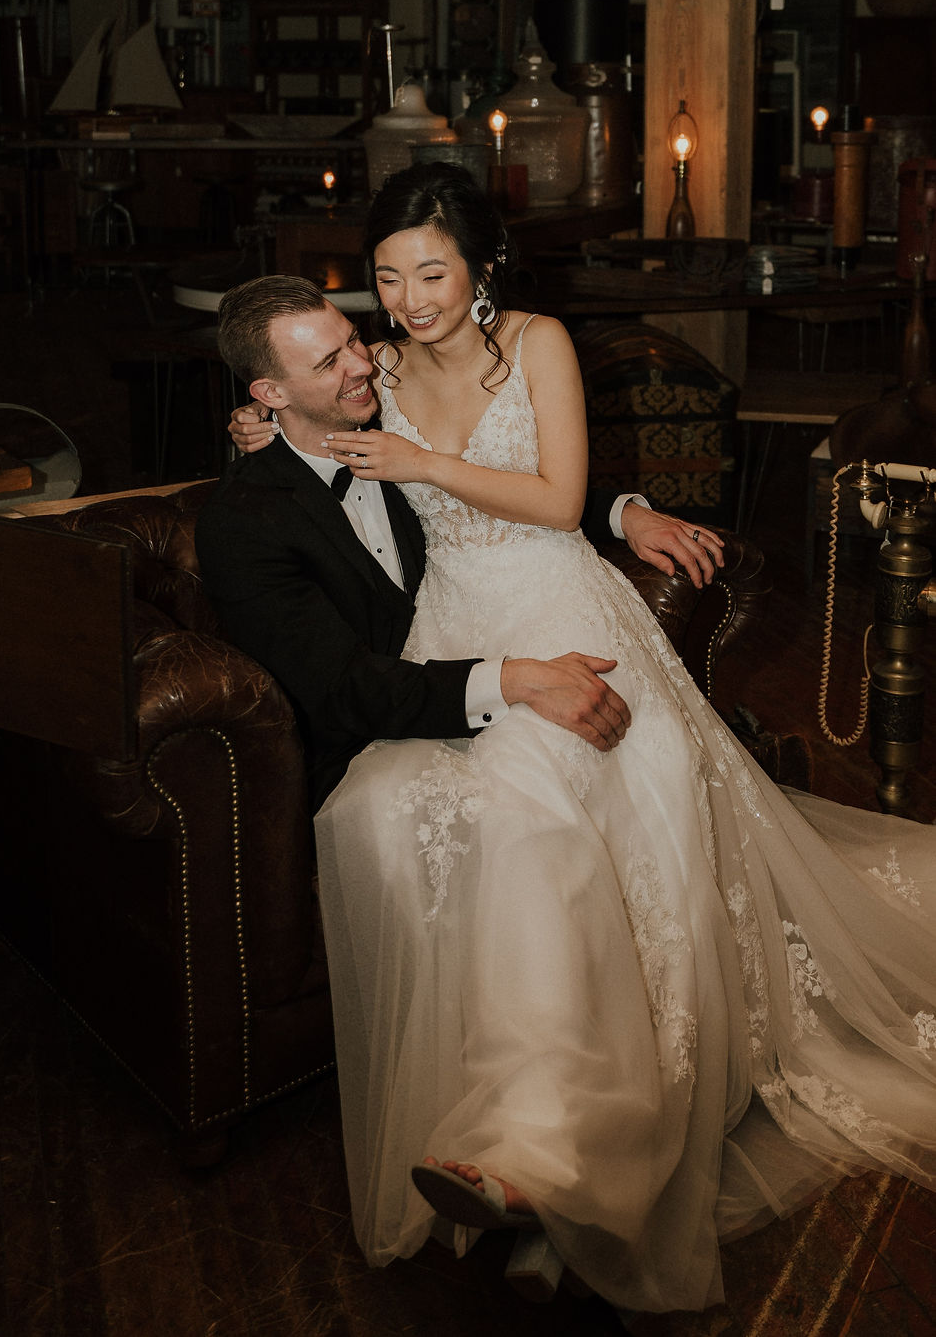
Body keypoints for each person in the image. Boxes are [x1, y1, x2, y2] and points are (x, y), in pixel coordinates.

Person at [200, 163, 936, 1317]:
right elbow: (319, 431)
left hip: (558, 609)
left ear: (478, 266)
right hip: (456, 627)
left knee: (554, 787)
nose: (405, 304)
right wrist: (269, 418)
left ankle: (552, 1132)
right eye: (386, 279)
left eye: (430, 273)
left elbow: (548, 493)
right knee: (459, 813)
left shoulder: (531, 340)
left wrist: (616, 510)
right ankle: (510, 1119)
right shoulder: (367, 373)